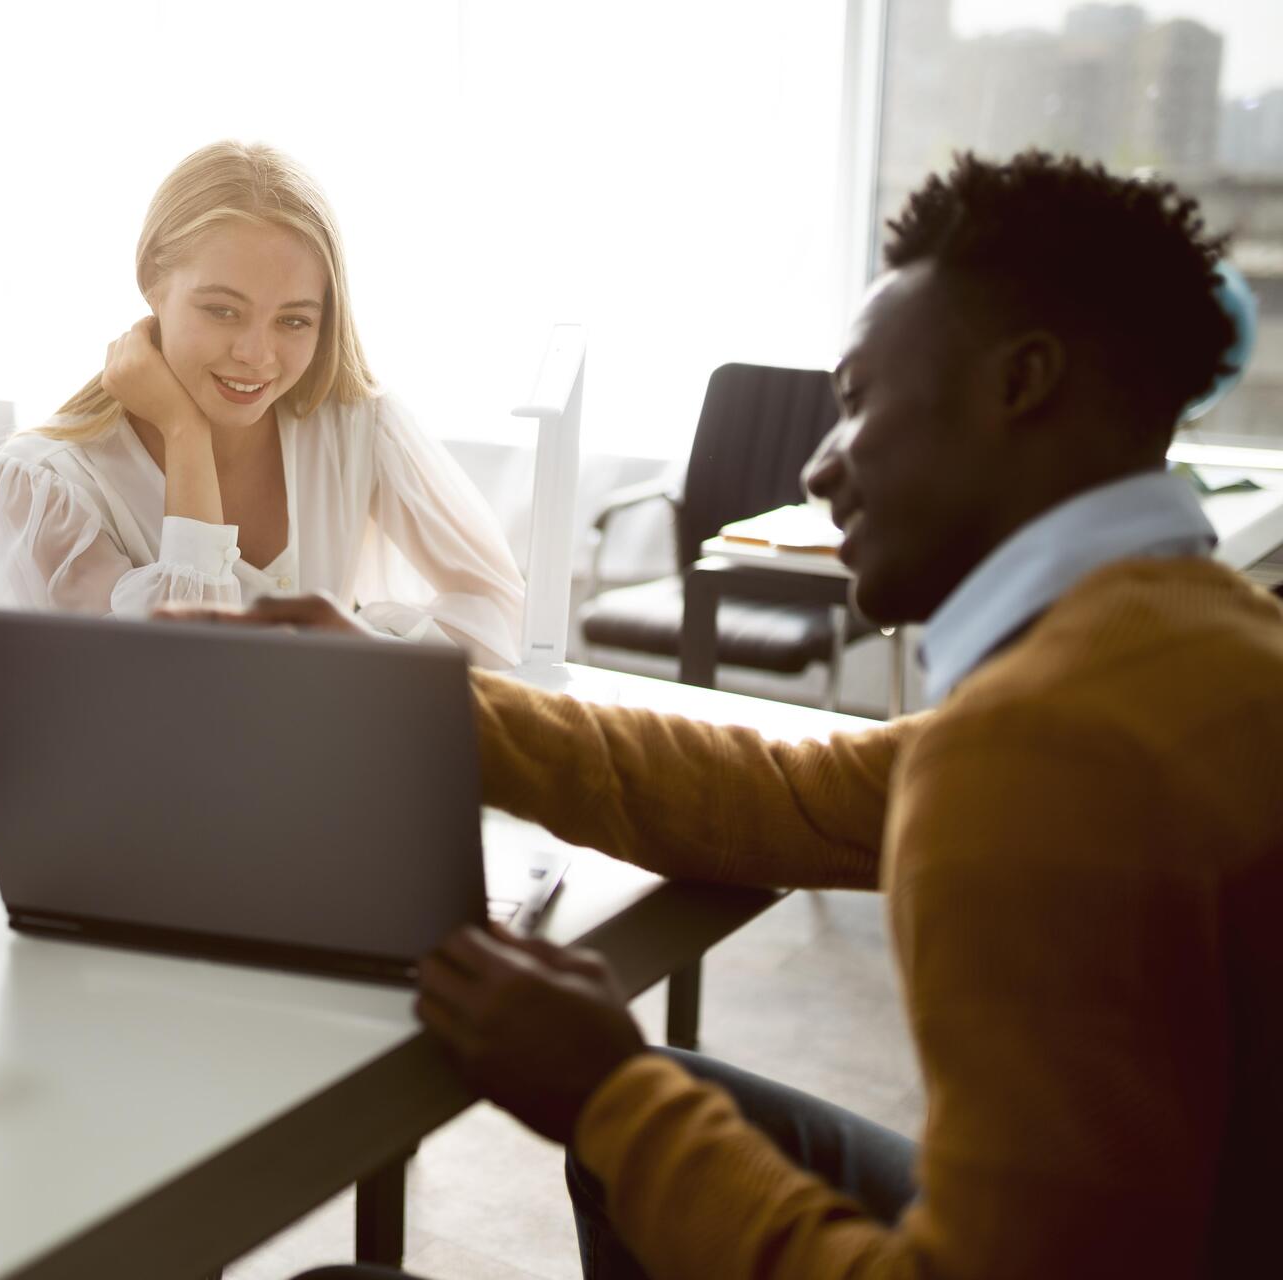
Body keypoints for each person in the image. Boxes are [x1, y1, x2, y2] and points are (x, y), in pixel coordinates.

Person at [256, 152, 1279, 1277]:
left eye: (856, 400)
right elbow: (792, 794)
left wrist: (604, 1088)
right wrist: (406, 707)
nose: (818, 466)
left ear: (1020, 382)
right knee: (691, 1102)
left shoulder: (1042, 752)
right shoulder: (1198, 639)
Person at [0, 140, 525, 668]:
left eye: (293, 320)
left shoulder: (355, 424)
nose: (257, 356)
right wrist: (185, 434)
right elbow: (185, 687)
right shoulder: (42, 486)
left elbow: (501, 612)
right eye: (222, 310)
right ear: (152, 283)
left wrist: (357, 646)